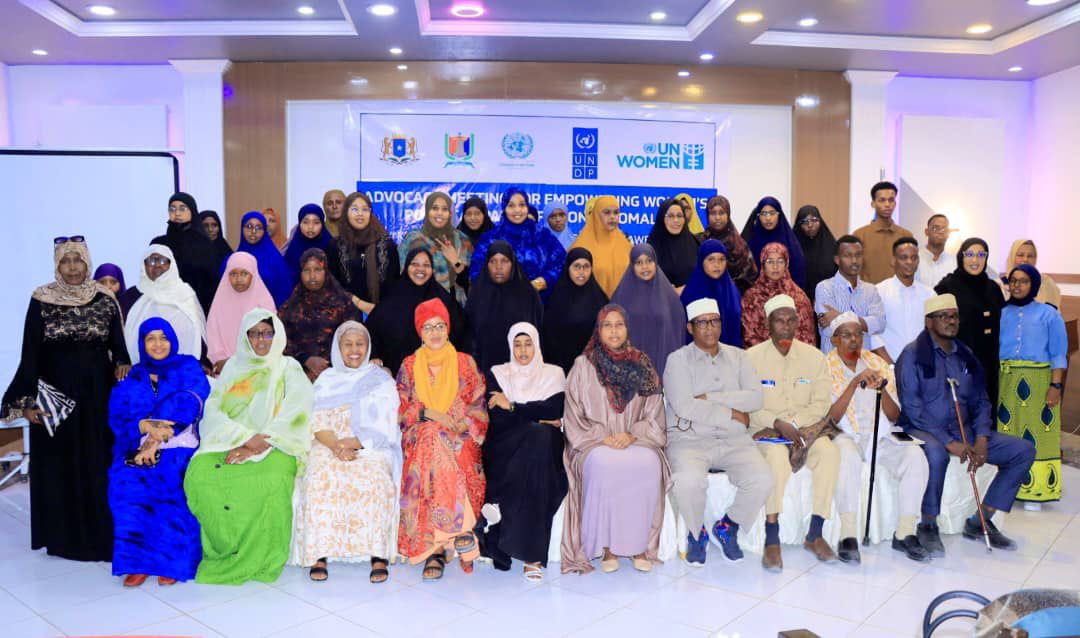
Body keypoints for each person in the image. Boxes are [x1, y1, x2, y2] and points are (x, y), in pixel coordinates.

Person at [3, 237, 130, 561]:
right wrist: (28, 402)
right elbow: (29, 354)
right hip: (54, 399)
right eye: (65, 261)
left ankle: (101, 535)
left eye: (78, 261)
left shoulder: (104, 299)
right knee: (60, 467)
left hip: (97, 398)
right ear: (57, 265)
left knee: (96, 463)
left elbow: (120, 351)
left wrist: (123, 373)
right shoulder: (41, 299)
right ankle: (63, 538)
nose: (72, 268)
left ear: (88, 263)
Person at [896, 294, 1035, 554]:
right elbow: (913, 410)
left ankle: (980, 519)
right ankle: (927, 524)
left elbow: (982, 400)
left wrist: (982, 438)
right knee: (937, 453)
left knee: (1023, 450)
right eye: (944, 316)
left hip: (966, 430)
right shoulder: (913, 355)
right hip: (921, 429)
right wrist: (952, 443)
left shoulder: (965, 354)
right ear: (929, 321)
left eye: (955, 315)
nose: (951, 321)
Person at [184, 309, 314, 584]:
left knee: (272, 478)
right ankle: (225, 550)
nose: (261, 340)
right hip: (231, 441)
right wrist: (242, 439)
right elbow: (215, 412)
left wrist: (259, 444)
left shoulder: (288, 367)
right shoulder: (233, 367)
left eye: (267, 333)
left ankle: (263, 557)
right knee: (201, 473)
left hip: (277, 444)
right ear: (245, 337)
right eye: (254, 333)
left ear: (276, 335)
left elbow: (297, 412)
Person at [561, 304, 669, 574]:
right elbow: (573, 416)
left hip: (636, 439)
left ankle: (638, 546)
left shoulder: (643, 364)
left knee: (648, 463)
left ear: (627, 328)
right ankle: (607, 546)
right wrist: (602, 437)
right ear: (599, 330)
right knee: (603, 463)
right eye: (607, 325)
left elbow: (656, 415)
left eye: (619, 324)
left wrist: (632, 434)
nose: (614, 330)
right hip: (593, 443)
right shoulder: (583, 365)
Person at [291, 321, 401, 583]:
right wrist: (336, 446)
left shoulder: (381, 380)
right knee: (321, 478)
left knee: (373, 478)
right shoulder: (326, 380)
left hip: (370, 444)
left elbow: (387, 423)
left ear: (368, 346)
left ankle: (377, 554)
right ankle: (320, 553)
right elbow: (316, 421)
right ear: (337, 348)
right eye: (347, 344)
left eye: (360, 344)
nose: (354, 350)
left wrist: (356, 442)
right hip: (329, 443)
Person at [664, 298, 771, 565]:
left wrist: (710, 396)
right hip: (690, 440)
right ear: (690, 328)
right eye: (702, 323)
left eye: (715, 321)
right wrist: (732, 412)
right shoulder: (677, 360)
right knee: (688, 482)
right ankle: (695, 532)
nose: (710, 328)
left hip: (735, 439)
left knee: (763, 479)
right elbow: (685, 406)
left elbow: (756, 398)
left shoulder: (739, 356)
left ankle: (728, 527)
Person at [107, 317, 210, 586]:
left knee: (169, 476)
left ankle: (171, 561)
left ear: (173, 341)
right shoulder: (132, 377)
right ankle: (138, 561)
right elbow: (117, 418)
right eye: (150, 338)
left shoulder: (187, 366)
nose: (158, 344)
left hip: (179, 442)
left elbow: (191, 400)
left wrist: (156, 439)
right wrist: (142, 426)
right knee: (125, 480)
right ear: (141, 343)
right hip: (137, 445)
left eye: (163, 337)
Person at [824, 312, 930, 563]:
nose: (853, 340)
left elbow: (894, 415)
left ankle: (905, 532)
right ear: (835, 340)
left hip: (879, 434)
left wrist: (882, 389)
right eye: (846, 335)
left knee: (915, 456)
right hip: (844, 434)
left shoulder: (877, 363)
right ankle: (848, 535)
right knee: (847, 457)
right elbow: (831, 418)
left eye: (858, 335)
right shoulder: (824, 366)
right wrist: (853, 384)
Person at [745, 294, 840, 571]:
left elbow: (821, 403)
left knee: (829, 453)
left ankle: (815, 534)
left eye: (790, 320)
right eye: (779, 321)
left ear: (798, 322)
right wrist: (777, 423)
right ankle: (772, 538)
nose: (785, 326)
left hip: (805, 432)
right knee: (775, 456)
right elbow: (748, 406)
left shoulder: (813, 357)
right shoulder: (750, 358)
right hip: (766, 431)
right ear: (767, 325)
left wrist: (795, 424)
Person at [396, 298, 488, 580]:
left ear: (448, 329)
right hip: (422, 433)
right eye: (427, 327)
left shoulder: (464, 363)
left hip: (462, 437)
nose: (434, 333)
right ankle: (458, 534)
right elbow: (402, 412)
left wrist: (463, 422)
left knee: (436, 443)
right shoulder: (409, 366)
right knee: (431, 436)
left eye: (439, 326)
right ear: (419, 332)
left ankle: (436, 546)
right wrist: (430, 413)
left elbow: (479, 405)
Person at [481, 322, 568, 580]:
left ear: (537, 344)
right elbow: (497, 418)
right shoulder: (498, 373)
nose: (522, 350)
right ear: (510, 346)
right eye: (517, 344)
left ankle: (498, 512)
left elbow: (555, 409)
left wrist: (513, 407)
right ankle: (532, 557)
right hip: (506, 446)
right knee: (537, 434)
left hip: (545, 449)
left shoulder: (554, 374)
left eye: (528, 343)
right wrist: (533, 414)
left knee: (539, 438)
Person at [997, 265, 1067, 507]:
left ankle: (1035, 491)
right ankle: (1006, 488)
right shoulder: (1001, 312)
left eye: (1023, 281)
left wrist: (1055, 385)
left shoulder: (1049, 314)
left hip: (1039, 382)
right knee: (1007, 431)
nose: (1016, 286)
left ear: (1033, 285)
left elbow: (1059, 354)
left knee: (1037, 435)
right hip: (1005, 380)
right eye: (1013, 281)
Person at [365, 247, 467, 377]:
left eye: (426, 265)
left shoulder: (443, 300)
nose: (421, 269)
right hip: (398, 378)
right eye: (414, 264)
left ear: (432, 270)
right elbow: (371, 332)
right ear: (406, 267)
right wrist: (374, 357)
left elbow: (462, 332)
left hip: (439, 376)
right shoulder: (391, 299)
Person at [934, 238, 1005, 408]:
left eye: (981, 254)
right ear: (961, 257)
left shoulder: (993, 288)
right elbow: (935, 327)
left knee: (987, 412)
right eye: (970, 254)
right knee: (962, 414)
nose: (975, 260)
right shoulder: (947, 287)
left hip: (990, 363)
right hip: (959, 362)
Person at [278, 248, 364, 381]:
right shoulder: (291, 306)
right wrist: (305, 360)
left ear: (326, 272)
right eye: (306, 270)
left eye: (318, 270)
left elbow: (354, 337)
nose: (312, 276)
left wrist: (327, 365)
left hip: (339, 374)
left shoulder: (343, 303)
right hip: (297, 374)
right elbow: (280, 339)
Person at [465, 241, 543, 374]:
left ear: (512, 264)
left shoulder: (528, 294)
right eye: (493, 261)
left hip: (522, 370)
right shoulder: (477, 294)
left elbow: (537, 333)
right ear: (486, 265)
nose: (498, 267)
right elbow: (469, 334)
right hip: (484, 369)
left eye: (504, 261)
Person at [121, 245, 206, 366]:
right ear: (143, 265)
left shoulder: (185, 293)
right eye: (151, 260)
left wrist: (202, 363)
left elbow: (198, 331)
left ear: (171, 264)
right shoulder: (131, 297)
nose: (157, 265)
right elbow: (122, 333)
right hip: (142, 369)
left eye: (162, 260)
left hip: (184, 369)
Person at [610, 243, 685, 379]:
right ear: (632, 266)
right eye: (639, 262)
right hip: (631, 371)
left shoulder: (669, 296)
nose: (645, 267)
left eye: (649, 261)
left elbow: (677, 331)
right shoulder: (621, 297)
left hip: (662, 366)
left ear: (655, 262)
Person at [470, 187, 565, 294]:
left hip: (537, 302)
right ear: (504, 208)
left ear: (527, 207)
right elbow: (476, 272)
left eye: (522, 205)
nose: (517, 210)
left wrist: (540, 283)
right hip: (500, 302)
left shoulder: (542, 235)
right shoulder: (491, 238)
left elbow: (561, 263)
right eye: (511, 205)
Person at [542, 248, 610, 374]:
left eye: (586, 267)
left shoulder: (600, 300)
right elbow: (549, 340)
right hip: (562, 370)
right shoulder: (556, 300)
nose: (581, 272)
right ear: (568, 268)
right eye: (577, 266)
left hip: (594, 371)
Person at [814, 235, 886, 354]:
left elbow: (879, 324)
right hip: (834, 364)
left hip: (863, 363)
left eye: (858, 255)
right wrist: (865, 323)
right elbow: (829, 329)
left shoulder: (871, 290)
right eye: (848, 256)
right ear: (837, 260)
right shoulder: (825, 288)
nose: (854, 261)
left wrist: (840, 316)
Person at [399, 192, 473, 306]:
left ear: (450, 214)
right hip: (420, 304)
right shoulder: (414, 239)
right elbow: (403, 277)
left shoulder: (462, 240)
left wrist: (455, 262)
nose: (440, 213)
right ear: (427, 211)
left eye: (444, 209)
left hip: (456, 307)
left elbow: (469, 282)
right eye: (434, 208)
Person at [206, 252, 276, 374]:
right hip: (225, 368)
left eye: (244, 273)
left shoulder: (265, 304)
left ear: (253, 274)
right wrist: (220, 359)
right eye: (233, 274)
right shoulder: (219, 302)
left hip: (260, 367)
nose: (238, 279)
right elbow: (213, 335)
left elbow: (272, 337)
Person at [153, 192, 222, 314]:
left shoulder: (204, 244)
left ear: (192, 211)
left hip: (196, 308)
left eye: (182, 208)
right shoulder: (159, 244)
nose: (177, 213)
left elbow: (211, 283)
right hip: (164, 307)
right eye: (172, 209)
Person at [331, 191, 399, 314]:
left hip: (382, 313)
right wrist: (359, 303)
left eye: (365, 209)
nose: (360, 214)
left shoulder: (387, 245)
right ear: (346, 212)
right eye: (354, 209)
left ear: (370, 213)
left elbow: (394, 284)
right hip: (346, 312)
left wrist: (380, 310)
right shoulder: (335, 245)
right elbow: (332, 283)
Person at [741, 243, 816, 348]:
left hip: (795, 358)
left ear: (786, 264)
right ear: (763, 264)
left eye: (780, 261)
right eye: (770, 261)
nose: (775, 266)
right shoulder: (752, 297)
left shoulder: (799, 297)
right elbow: (749, 335)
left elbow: (807, 336)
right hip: (762, 358)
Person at [873, 237, 935, 363]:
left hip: (922, 367)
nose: (909, 262)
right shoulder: (878, 292)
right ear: (893, 260)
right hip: (888, 367)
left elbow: (934, 332)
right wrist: (889, 366)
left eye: (914, 258)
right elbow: (872, 334)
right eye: (903, 257)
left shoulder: (929, 294)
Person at [680, 240, 742, 348]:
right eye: (711, 259)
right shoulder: (691, 292)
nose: (717, 265)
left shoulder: (732, 290)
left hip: (731, 356)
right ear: (701, 261)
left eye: (721, 259)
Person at [568, 195, 631, 298]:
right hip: (590, 308)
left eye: (616, 212)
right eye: (607, 212)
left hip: (621, 308)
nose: (612, 217)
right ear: (596, 215)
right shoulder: (580, 247)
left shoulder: (626, 245)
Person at [852, 181, 914, 285]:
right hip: (869, 297)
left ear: (895, 203)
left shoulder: (906, 236)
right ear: (873, 203)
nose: (887, 204)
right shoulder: (860, 235)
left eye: (891, 200)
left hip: (899, 297)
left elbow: (911, 269)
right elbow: (853, 271)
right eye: (882, 200)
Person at [742, 196, 807, 289]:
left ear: (779, 215)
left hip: (786, 295)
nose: (768, 218)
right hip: (757, 296)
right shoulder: (751, 242)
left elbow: (798, 273)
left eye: (772, 213)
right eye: (764, 213)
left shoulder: (790, 242)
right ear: (758, 216)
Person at [697, 195, 757, 293]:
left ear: (728, 215)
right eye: (713, 213)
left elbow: (750, 277)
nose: (717, 218)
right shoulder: (700, 241)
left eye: (721, 213)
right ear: (707, 215)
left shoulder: (739, 245)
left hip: (734, 297)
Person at [236, 210, 294, 306]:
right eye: (249, 227)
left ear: (264, 231)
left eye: (259, 228)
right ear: (242, 229)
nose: (253, 232)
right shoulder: (236, 258)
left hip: (267, 313)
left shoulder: (275, 259)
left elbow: (284, 290)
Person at [647, 197, 701, 291]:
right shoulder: (651, 247)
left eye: (680, 216)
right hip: (658, 301)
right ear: (661, 218)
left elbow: (702, 276)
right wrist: (665, 289)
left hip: (690, 301)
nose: (676, 220)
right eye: (670, 216)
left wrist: (686, 288)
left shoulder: (696, 244)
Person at [793, 204, 837, 304]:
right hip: (799, 301)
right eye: (805, 222)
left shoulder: (832, 247)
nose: (810, 225)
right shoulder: (793, 248)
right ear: (799, 225)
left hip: (827, 301)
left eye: (814, 220)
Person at [282, 203, 336, 283]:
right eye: (305, 222)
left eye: (316, 222)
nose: (310, 227)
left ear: (322, 224)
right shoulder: (292, 249)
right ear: (299, 224)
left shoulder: (331, 246)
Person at [1004, 239, 1062, 309]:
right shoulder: (1002, 283)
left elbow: (1053, 313)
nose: (1025, 259)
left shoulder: (1046, 282)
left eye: (1030, 256)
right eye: (1020, 255)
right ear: (1012, 257)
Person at [916, 214, 954, 289]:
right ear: (926, 232)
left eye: (944, 229)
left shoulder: (955, 263)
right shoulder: (913, 259)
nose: (940, 232)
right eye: (935, 228)